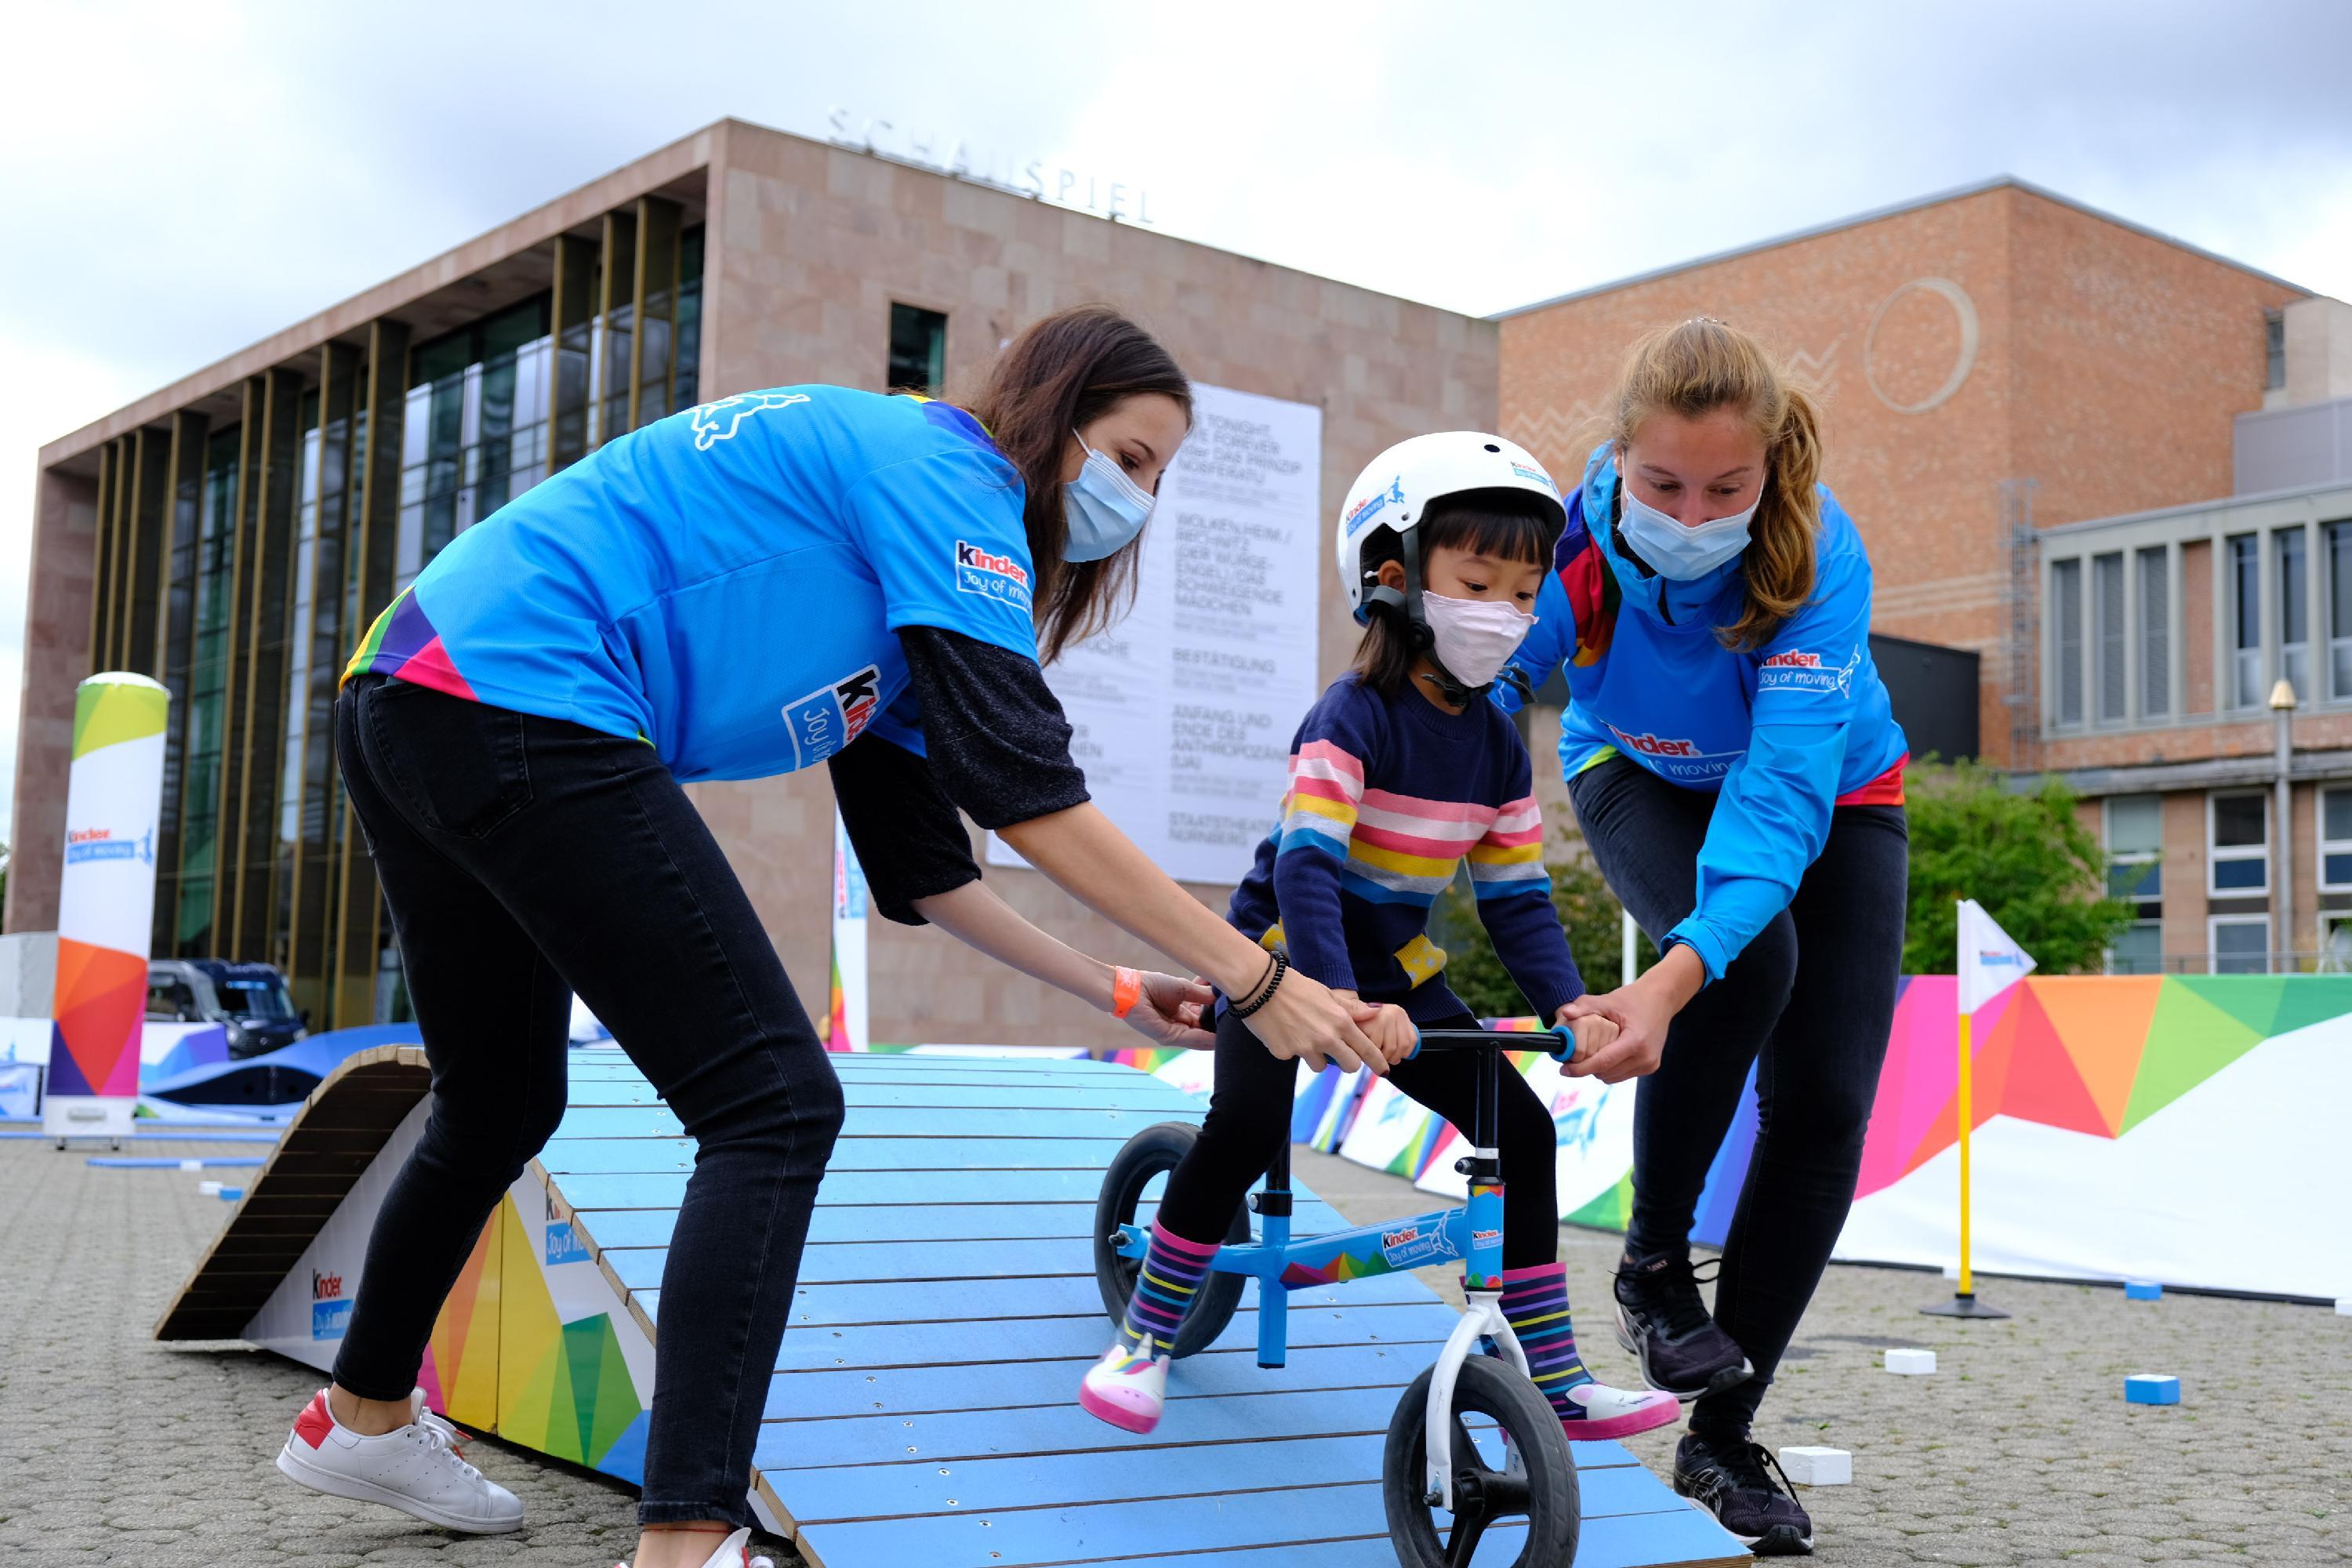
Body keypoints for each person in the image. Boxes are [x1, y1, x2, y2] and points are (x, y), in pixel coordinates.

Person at [271, 306, 1386, 1568]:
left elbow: (927, 873)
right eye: (1130, 457)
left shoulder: (906, 586)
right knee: (774, 1105)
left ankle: (361, 1416)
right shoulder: (949, 477)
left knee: (500, 1102)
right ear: (1055, 414)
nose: (1139, 498)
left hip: (418, 691)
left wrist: (1113, 987)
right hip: (522, 694)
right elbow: (1028, 790)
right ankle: (688, 1545)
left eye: (1161, 478)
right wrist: (1259, 976)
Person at [1077, 432, 1682, 1447]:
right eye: (1477, 584)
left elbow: (1516, 898)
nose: (1504, 614)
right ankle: (1145, 1338)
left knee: (1522, 1129)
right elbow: (1307, 870)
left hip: (1395, 969)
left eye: (1524, 594)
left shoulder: (1497, 745)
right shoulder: (1349, 718)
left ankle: (1554, 1373)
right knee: (1245, 1126)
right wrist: (1335, 998)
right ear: (1393, 578)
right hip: (1281, 956)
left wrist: (1568, 1004)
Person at [1498, 318, 1910, 1558]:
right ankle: (1652, 1263)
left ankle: (1722, 1439)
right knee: (1752, 958)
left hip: (1836, 790)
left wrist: (1668, 983)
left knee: (1827, 1101)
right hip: (1635, 770)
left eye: (1727, 488)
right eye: (1664, 484)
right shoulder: (1566, 544)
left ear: (1772, 467)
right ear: (1618, 457)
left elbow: (1780, 801)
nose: (1692, 513)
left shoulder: (1819, 555)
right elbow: (1476, 688)